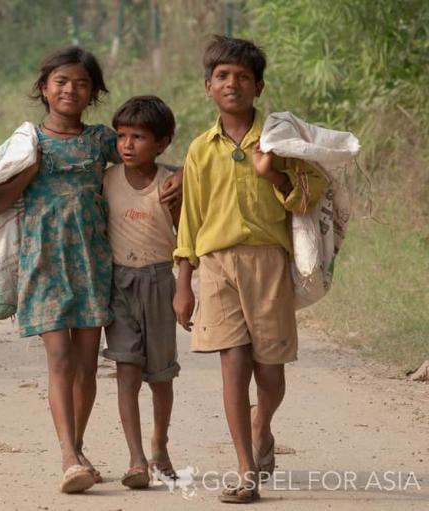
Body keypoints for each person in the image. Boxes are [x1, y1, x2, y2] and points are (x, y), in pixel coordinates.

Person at [172, 35, 326, 503]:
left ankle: (262, 425)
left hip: (268, 264)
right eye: (222, 77)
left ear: (258, 86)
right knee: (233, 365)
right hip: (217, 266)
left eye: (242, 77)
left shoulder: (283, 140)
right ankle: (245, 470)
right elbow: (190, 218)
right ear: (208, 87)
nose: (232, 84)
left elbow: (309, 196)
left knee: (271, 374)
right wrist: (184, 282)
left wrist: (273, 173)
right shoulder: (200, 149)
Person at [0, 45, 118, 494]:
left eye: (81, 83)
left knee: (86, 365)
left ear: (93, 92)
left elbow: (142, 165)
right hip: (43, 263)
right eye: (61, 81)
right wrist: (28, 171)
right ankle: (68, 455)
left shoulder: (102, 140)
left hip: (93, 261)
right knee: (60, 360)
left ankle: (77, 451)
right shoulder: (27, 143)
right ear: (44, 89)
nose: (70, 89)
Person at [101, 95, 181, 489]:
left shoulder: (172, 182)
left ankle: (160, 445)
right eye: (121, 136)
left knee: (161, 377)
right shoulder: (108, 178)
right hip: (119, 284)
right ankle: (135, 458)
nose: (127, 145)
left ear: (162, 142)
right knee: (126, 371)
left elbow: (188, 236)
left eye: (139, 137)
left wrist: (185, 288)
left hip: (161, 281)